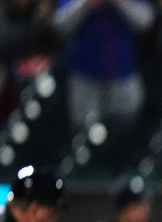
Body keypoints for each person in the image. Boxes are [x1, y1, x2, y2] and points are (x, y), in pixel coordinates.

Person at [52, 0, 155, 132]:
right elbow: (60, 26)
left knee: (125, 135)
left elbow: (145, 22)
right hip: (85, 78)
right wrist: (86, 4)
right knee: (84, 134)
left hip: (123, 75)